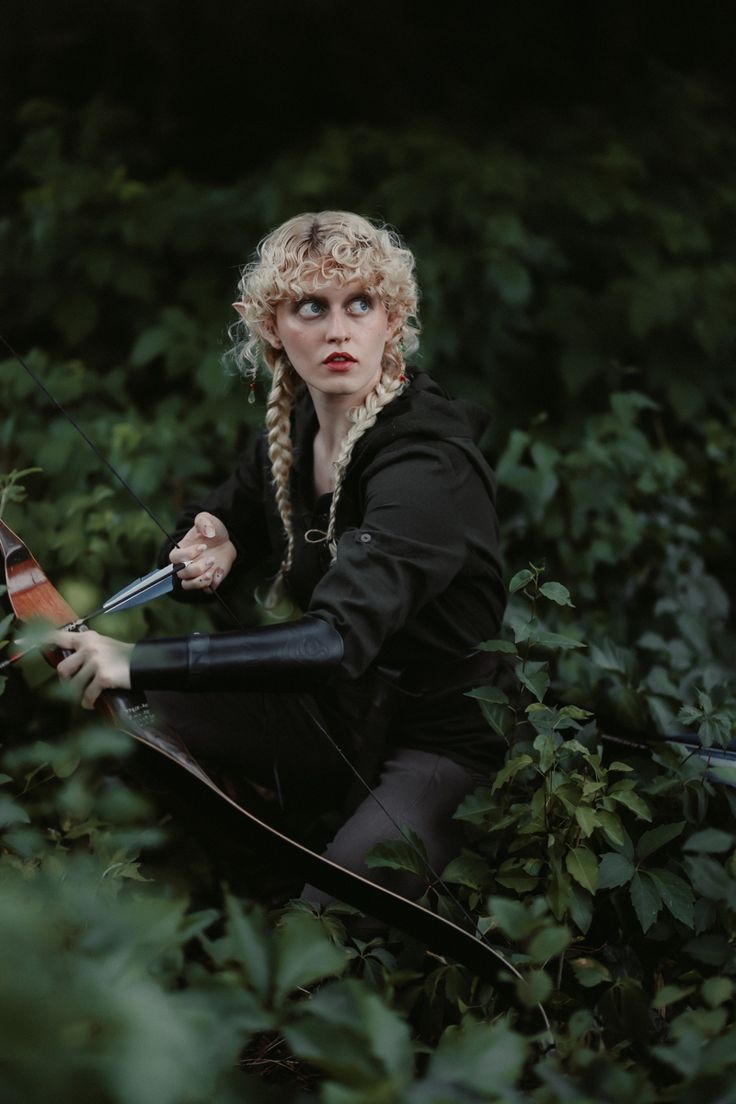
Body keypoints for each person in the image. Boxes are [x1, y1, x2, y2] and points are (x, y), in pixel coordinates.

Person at [51, 211, 507, 907]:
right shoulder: (296, 429)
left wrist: (134, 655)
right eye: (309, 307)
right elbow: (210, 525)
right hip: (333, 716)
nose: (337, 330)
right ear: (267, 324)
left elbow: (331, 640)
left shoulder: (426, 461)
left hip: (439, 742)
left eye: (360, 303)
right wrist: (213, 544)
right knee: (123, 716)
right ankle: (225, 884)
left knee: (325, 919)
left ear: (395, 317)